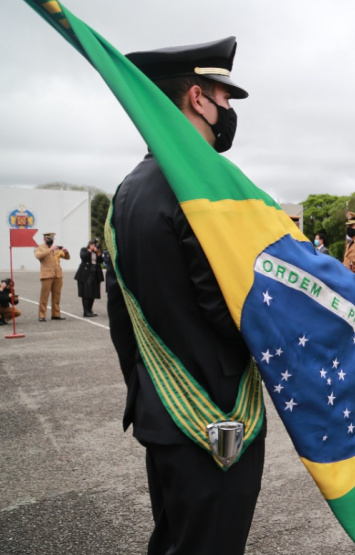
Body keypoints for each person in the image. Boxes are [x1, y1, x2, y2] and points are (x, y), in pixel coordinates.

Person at [108, 37, 266, 554]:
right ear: (197, 98)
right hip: (215, 419)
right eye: (224, 98)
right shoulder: (197, 187)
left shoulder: (128, 189)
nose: (227, 111)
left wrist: (148, 392)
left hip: (163, 409)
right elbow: (228, 311)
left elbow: (121, 316)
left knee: (177, 541)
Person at [34, 232, 70, 322]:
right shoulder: (40, 248)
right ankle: (42, 315)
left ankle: (56, 314)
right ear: (45, 239)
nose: (52, 241)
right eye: (50, 239)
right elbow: (38, 256)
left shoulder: (56, 249)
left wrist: (66, 252)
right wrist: (50, 250)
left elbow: (67, 257)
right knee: (44, 296)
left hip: (58, 275)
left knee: (57, 296)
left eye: (53, 239)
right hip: (46, 275)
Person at [75, 238, 105, 317]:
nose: (94, 246)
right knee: (85, 293)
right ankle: (86, 311)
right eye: (93, 244)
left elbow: (101, 260)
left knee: (94, 292)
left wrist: (98, 253)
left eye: (95, 245)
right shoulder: (84, 250)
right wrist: (90, 250)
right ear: (89, 244)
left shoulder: (97, 251)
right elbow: (83, 257)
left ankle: (90, 310)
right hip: (85, 274)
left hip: (95, 273)